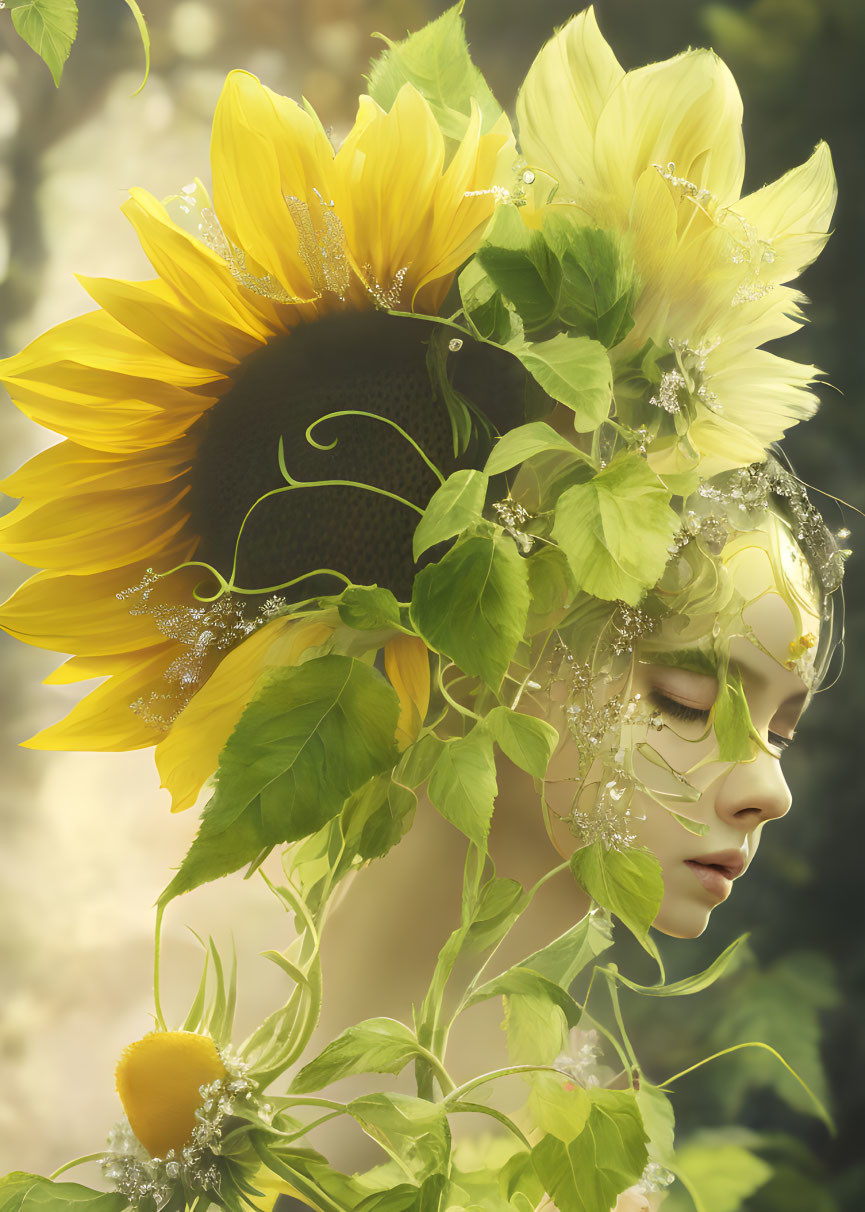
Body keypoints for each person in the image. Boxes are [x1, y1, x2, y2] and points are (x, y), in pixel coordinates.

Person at [0, 7, 846, 1211]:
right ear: (467, 645)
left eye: (779, 728)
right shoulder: (345, 1149)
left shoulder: (539, 1113)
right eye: (687, 697)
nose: (769, 785)